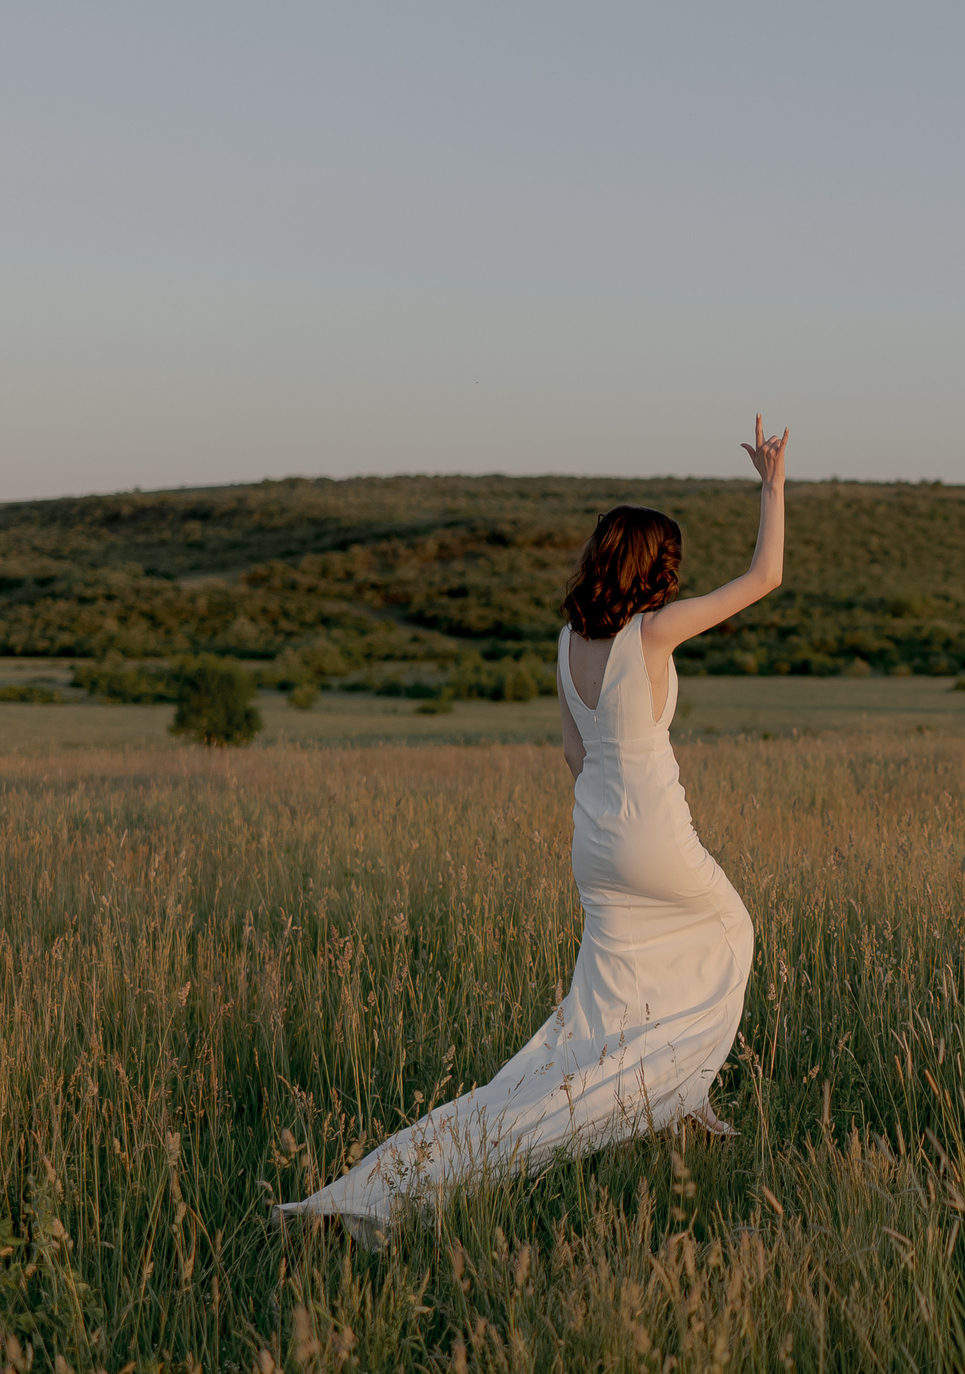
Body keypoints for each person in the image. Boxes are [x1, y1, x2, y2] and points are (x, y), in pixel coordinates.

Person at [277, 418, 792, 1248]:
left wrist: (608, 824)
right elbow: (766, 576)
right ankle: (662, 1099)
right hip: (655, 835)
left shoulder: (569, 642)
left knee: (604, 1006)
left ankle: (677, 1112)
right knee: (729, 931)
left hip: (596, 846)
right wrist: (771, 484)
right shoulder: (651, 632)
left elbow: (571, 752)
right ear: (654, 568)